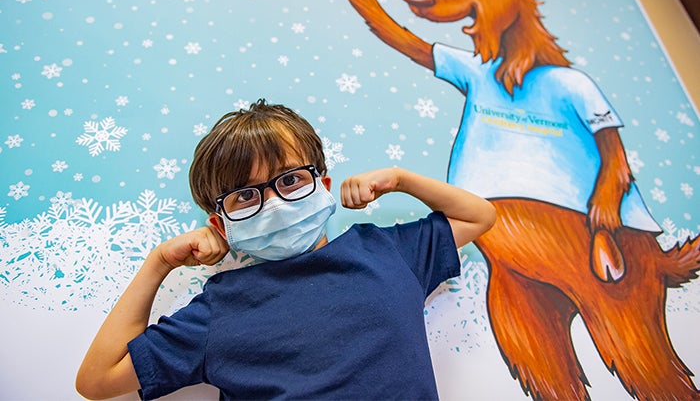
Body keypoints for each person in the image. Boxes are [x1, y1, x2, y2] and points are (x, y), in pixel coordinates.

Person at [75, 99, 496, 400]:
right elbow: (97, 381)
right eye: (244, 195)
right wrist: (158, 263)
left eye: (290, 179)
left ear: (322, 186)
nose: (274, 202)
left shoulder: (385, 251)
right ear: (221, 224)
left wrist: (402, 179)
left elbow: (478, 217)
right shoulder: (219, 311)